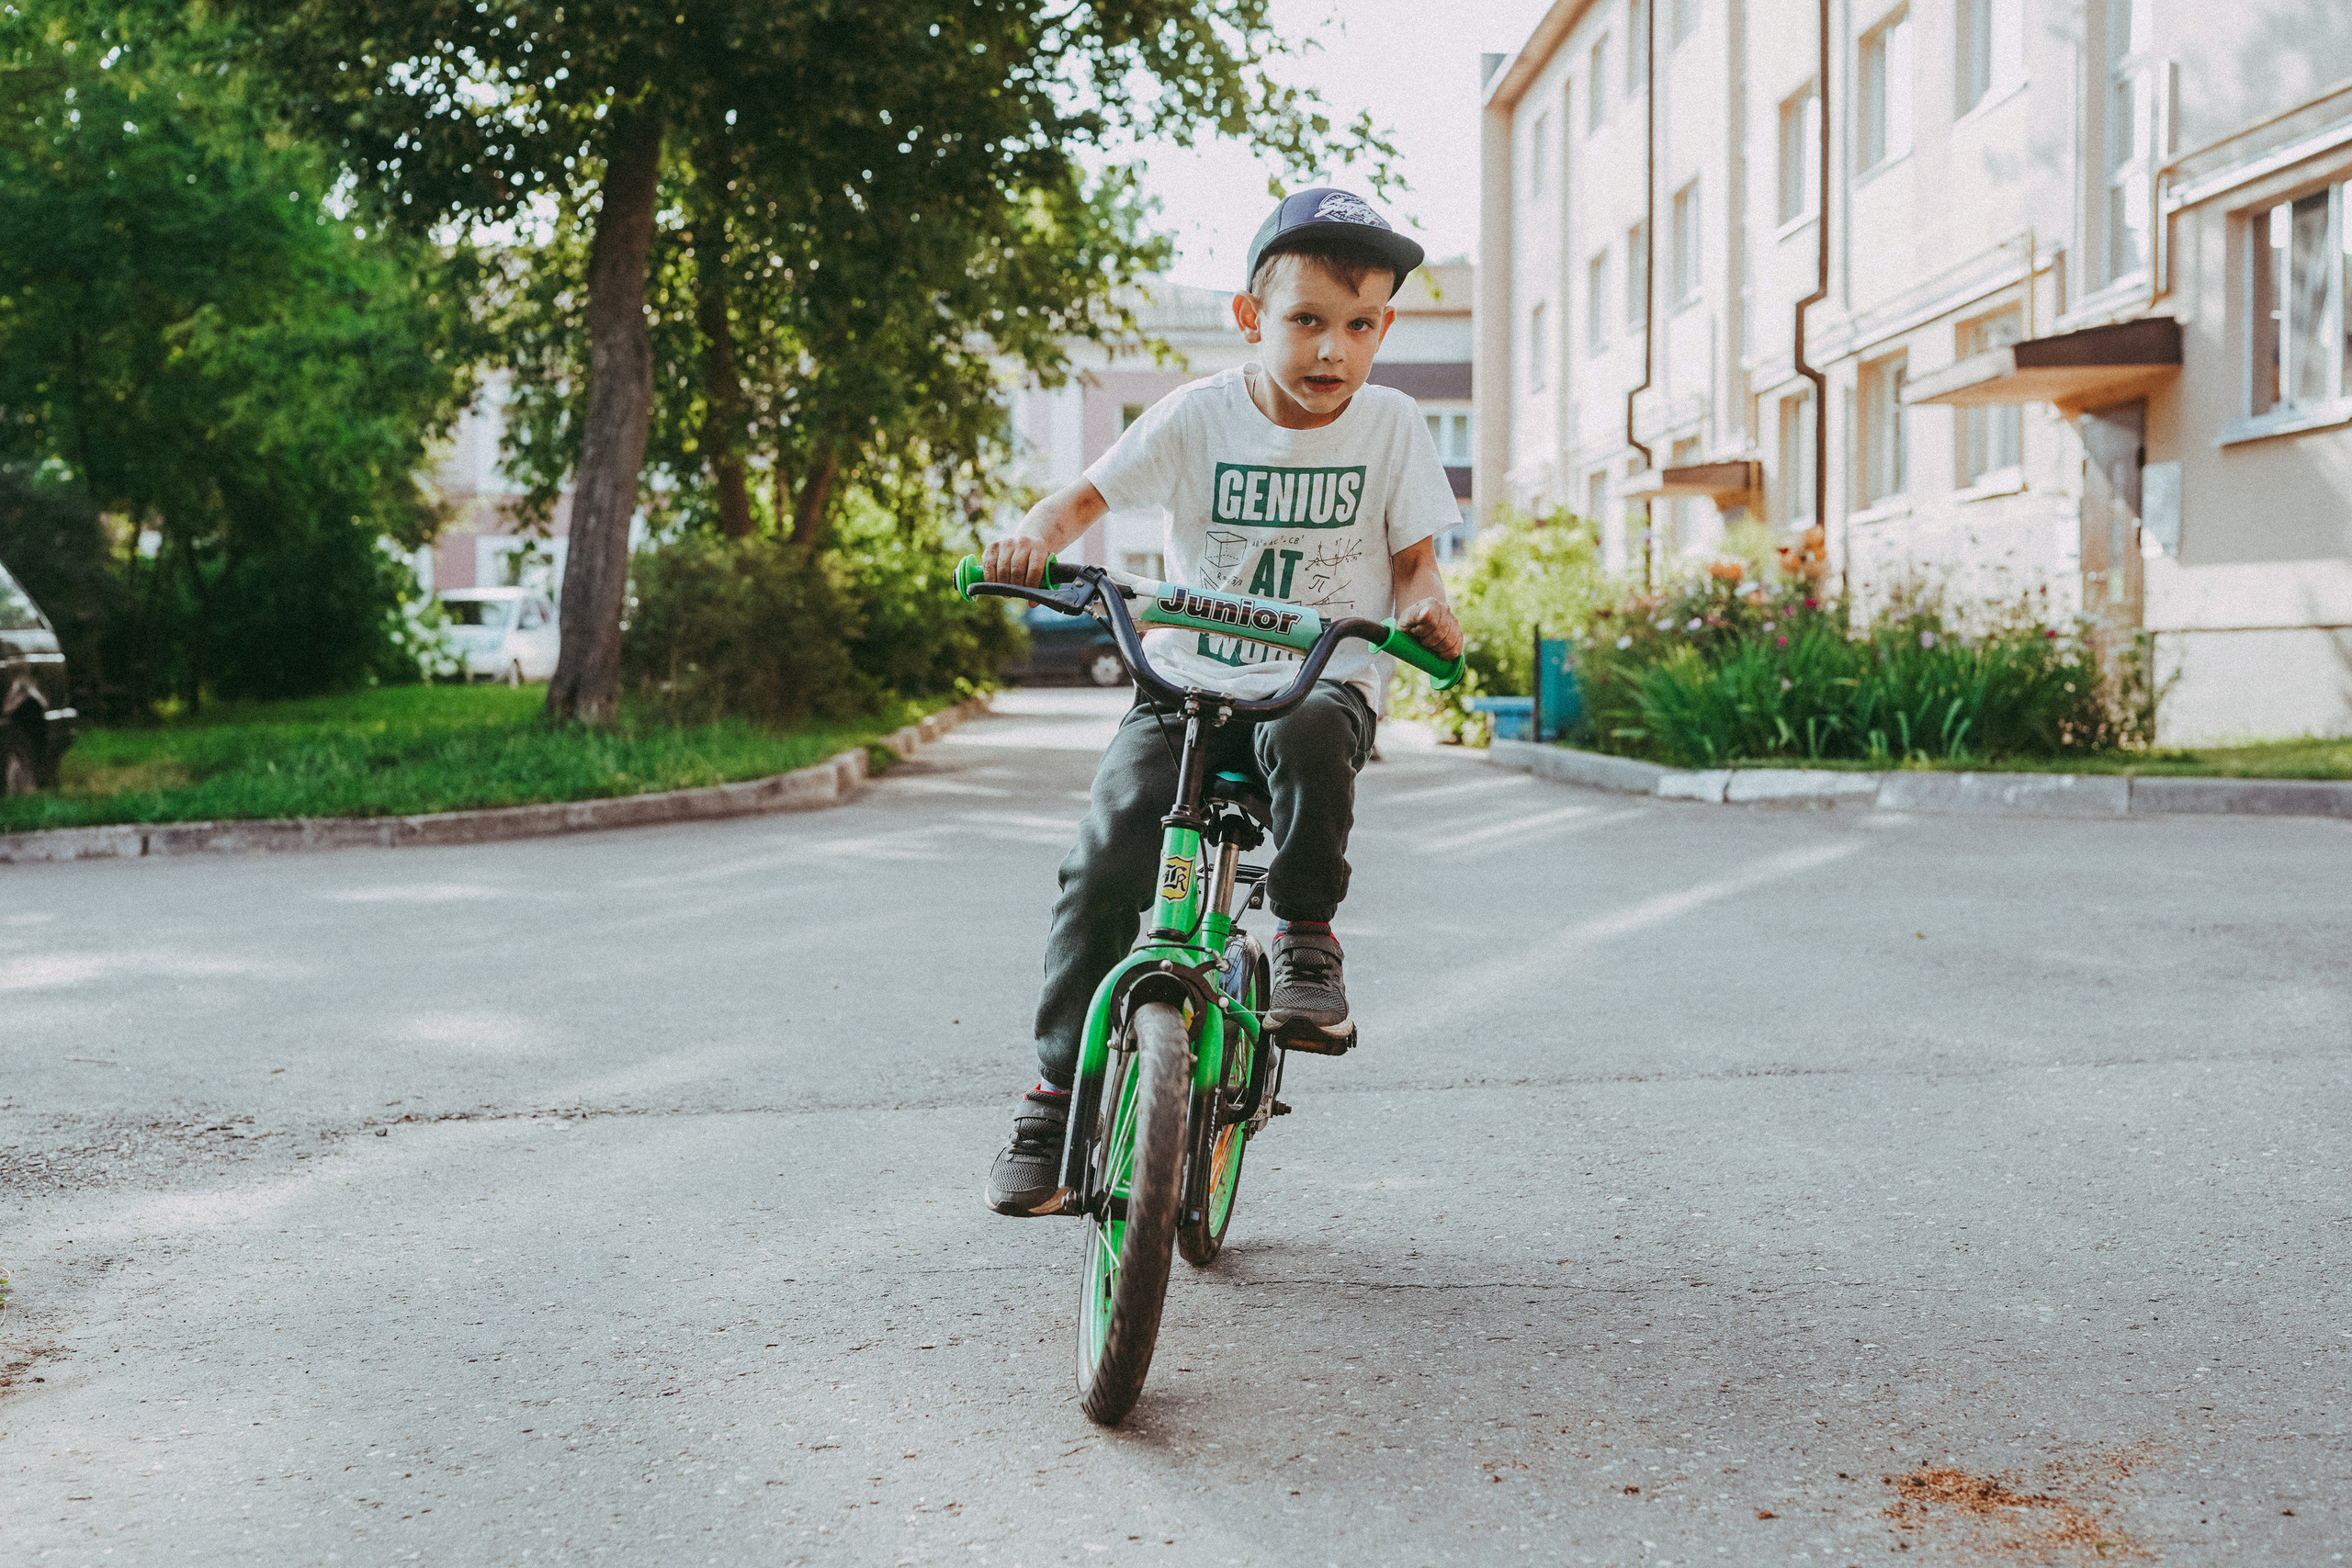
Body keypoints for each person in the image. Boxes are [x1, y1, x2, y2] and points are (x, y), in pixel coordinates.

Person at [979, 188, 1465, 1216]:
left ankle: (1304, 937)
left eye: (1359, 325)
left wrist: (1427, 611)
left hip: (1314, 675)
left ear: (1383, 329)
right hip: (1188, 680)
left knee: (1309, 729)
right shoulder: (1200, 412)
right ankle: (1054, 1096)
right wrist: (1031, 536)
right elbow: (1080, 500)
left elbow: (1414, 563)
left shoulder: (1391, 424)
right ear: (1252, 319)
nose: (1332, 349)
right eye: (1306, 321)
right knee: (1104, 858)